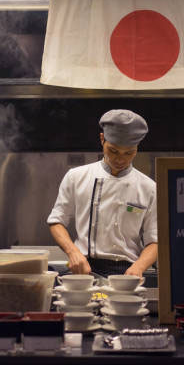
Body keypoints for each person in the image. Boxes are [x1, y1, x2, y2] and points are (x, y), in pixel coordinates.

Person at [47, 109, 158, 278]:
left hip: (127, 271)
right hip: (83, 267)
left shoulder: (149, 188)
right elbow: (56, 221)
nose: (121, 159)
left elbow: (155, 240)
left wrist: (139, 267)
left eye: (129, 153)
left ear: (137, 148)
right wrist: (73, 252)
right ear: (101, 139)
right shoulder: (76, 176)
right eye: (113, 151)